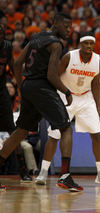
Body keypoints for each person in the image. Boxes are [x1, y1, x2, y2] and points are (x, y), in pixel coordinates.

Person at [0, 12, 79, 191]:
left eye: (70, 27)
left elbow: (18, 63)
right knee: (66, 128)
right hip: (43, 88)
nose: (68, 30)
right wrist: (66, 91)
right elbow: (52, 76)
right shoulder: (56, 44)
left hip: (28, 86)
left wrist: (22, 87)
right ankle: (65, 176)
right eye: (65, 26)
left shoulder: (36, 37)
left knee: (20, 132)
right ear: (55, 23)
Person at [35, 32, 100, 187]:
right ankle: (43, 172)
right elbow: (55, 76)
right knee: (54, 135)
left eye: (91, 44)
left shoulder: (98, 61)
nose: (88, 46)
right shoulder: (69, 57)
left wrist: (99, 106)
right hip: (65, 95)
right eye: (85, 43)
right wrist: (54, 98)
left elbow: (96, 83)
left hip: (86, 98)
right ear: (80, 44)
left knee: (96, 134)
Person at [0, 25, 33, 189]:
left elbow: (13, 65)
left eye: (2, 33)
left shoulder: (6, 46)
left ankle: (23, 169)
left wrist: (20, 85)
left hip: (1, 93)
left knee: (13, 131)